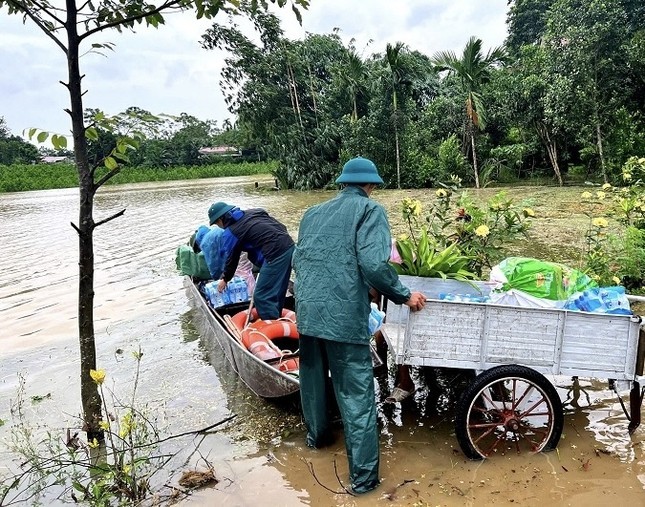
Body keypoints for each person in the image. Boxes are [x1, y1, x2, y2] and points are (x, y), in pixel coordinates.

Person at [292, 157, 427, 494]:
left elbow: (300, 261)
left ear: (342, 184)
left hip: (306, 314)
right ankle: (364, 483)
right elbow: (373, 265)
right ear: (371, 186)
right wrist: (403, 295)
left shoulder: (311, 214)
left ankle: (317, 441)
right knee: (356, 397)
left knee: (312, 383)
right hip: (341, 317)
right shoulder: (370, 211)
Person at [207, 202, 295, 321]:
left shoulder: (231, 233)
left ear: (222, 219)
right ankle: (277, 319)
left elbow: (231, 259)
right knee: (278, 291)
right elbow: (275, 225)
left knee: (261, 296)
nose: (219, 226)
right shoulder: (254, 212)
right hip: (289, 246)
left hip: (275, 255)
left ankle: (270, 325)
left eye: (217, 223)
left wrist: (225, 278)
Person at [193, 225, 256, 294]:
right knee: (245, 272)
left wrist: (217, 278)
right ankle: (250, 294)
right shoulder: (214, 230)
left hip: (237, 251)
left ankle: (250, 296)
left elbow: (213, 263)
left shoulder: (205, 243)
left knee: (242, 274)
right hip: (242, 245)